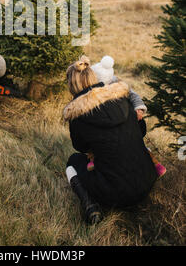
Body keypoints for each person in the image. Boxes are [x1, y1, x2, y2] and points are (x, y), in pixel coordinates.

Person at [64, 55, 157, 224]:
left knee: (73, 161)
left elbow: (81, 147)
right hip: (147, 181)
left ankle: (90, 205)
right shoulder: (121, 97)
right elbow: (141, 130)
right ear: (93, 76)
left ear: (71, 86)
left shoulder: (77, 116)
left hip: (115, 194)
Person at [87, 55, 166, 178]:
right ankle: (94, 157)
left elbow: (134, 96)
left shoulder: (118, 84)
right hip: (109, 125)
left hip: (126, 121)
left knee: (136, 141)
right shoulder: (92, 91)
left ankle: (153, 163)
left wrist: (139, 109)